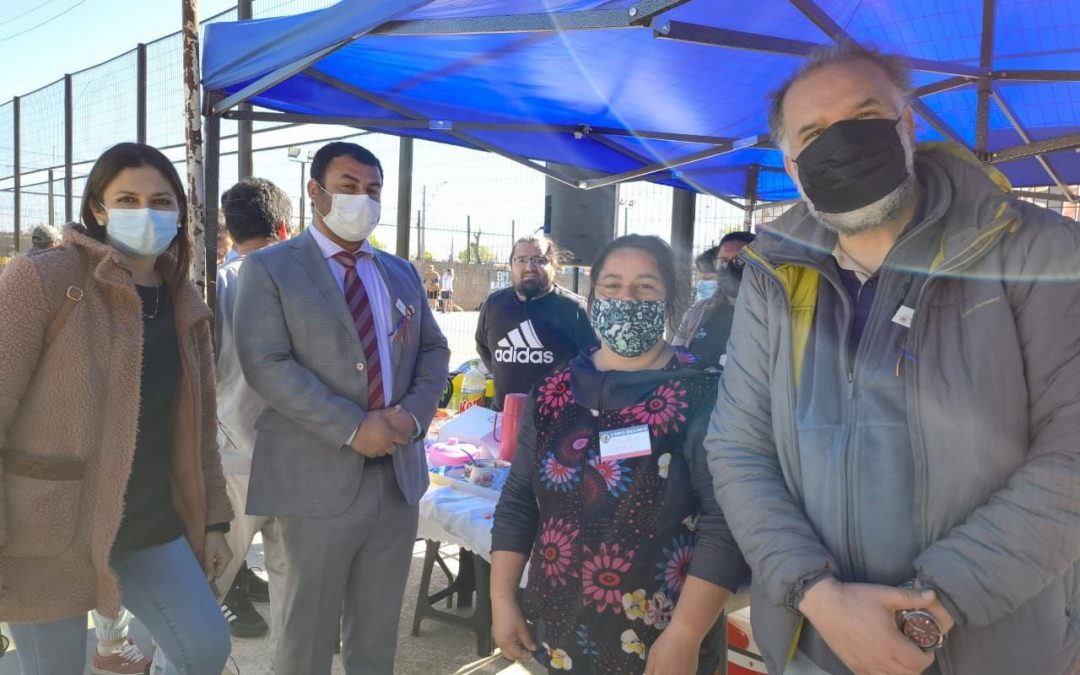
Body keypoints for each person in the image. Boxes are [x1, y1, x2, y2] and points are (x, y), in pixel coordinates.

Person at [706, 42, 1080, 675]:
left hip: (993, 649)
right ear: (794, 167)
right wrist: (816, 595)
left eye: (864, 115)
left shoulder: (1033, 248)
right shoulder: (773, 274)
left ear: (907, 125)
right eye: (817, 133)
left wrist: (931, 611)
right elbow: (739, 450)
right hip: (813, 646)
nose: (843, 143)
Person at [0, 142, 233, 674]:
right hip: (48, 526)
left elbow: (198, 432)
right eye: (126, 198)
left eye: (160, 199)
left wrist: (215, 519)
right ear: (98, 210)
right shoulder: (44, 279)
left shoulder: (184, 301)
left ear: (179, 210)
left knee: (204, 647)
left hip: (149, 523)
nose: (145, 212)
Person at [234, 141, 450, 674]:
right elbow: (266, 364)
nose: (362, 200)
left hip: (396, 482)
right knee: (306, 638)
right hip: (316, 485)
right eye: (349, 187)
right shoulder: (268, 269)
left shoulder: (399, 273)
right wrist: (353, 427)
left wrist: (414, 415)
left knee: (376, 637)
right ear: (316, 192)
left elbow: (433, 349)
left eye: (372, 190)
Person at [491, 234, 748, 674]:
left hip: (665, 643)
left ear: (670, 297)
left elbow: (724, 520)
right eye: (612, 285)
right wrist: (501, 599)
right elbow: (518, 499)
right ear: (593, 296)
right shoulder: (553, 392)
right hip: (559, 634)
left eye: (645, 286)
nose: (626, 299)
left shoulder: (700, 391)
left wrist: (685, 634)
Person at [215, 177, 292, 642]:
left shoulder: (214, 285)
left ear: (228, 232)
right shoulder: (307, 284)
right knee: (294, 595)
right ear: (284, 226)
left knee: (207, 584)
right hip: (298, 461)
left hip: (231, 457)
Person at [475, 235, 597, 409]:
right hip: (504, 419)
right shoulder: (494, 305)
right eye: (521, 260)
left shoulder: (574, 309)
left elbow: (592, 364)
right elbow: (484, 349)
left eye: (539, 260)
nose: (529, 267)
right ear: (511, 265)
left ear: (554, 266)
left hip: (556, 424)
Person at [672, 231, 756, 367]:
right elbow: (675, 357)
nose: (729, 267)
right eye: (723, 261)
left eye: (740, 261)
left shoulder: (772, 317)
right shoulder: (696, 311)